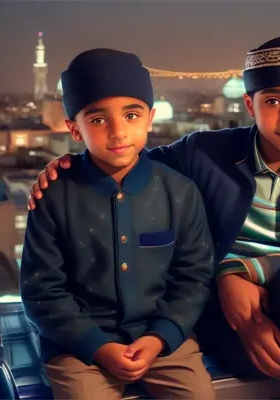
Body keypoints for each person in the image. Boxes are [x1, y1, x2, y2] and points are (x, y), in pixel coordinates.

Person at [28, 37, 280, 400]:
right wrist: (64, 169)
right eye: (274, 101)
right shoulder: (205, 153)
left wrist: (248, 272)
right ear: (250, 105)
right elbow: (127, 164)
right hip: (242, 321)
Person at [20, 48, 216, 400]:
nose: (118, 131)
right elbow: (41, 289)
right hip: (78, 347)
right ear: (73, 129)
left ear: (150, 118)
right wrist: (96, 345)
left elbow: (195, 276)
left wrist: (160, 337)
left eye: (131, 114)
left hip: (164, 339)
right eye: (98, 120)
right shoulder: (54, 196)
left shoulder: (179, 192)